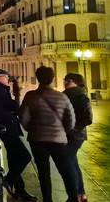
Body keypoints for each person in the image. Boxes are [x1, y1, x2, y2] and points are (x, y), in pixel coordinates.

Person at [19, 66, 78, 202]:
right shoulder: (62, 97)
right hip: (58, 139)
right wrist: (62, 131)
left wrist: (33, 130)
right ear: (52, 78)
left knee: (43, 173)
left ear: (38, 79)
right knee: (65, 170)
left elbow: (23, 118)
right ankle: (73, 197)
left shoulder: (30, 96)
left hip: (37, 139)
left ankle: (47, 199)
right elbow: (71, 121)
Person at [0, 69, 36, 201]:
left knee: (14, 159)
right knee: (25, 156)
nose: (8, 77)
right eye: (5, 76)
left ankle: (20, 191)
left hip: (6, 127)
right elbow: (13, 107)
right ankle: (8, 181)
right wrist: (18, 94)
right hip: (7, 128)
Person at [63, 73, 93, 202]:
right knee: (72, 163)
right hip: (67, 135)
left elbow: (88, 118)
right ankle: (81, 194)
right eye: (65, 80)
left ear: (75, 82)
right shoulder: (65, 95)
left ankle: (75, 195)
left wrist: (73, 128)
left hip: (76, 135)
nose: (65, 82)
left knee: (68, 162)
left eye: (67, 80)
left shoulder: (81, 96)